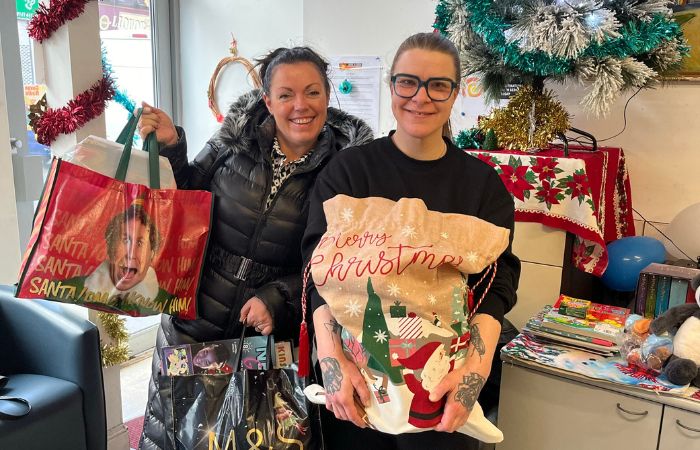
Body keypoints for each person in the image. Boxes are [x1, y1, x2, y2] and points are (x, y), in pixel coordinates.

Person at [136, 46, 374, 449]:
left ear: (328, 94)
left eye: (312, 92)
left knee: (260, 437)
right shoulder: (234, 140)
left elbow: (340, 263)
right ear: (267, 100)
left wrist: (280, 297)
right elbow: (188, 200)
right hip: (192, 323)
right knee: (177, 433)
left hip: (268, 342)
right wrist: (173, 146)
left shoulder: (346, 169)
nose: (301, 106)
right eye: (285, 94)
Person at [301, 33, 521, 450]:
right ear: (392, 86)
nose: (421, 97)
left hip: (442, 391)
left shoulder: (481, 187)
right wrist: (332, 362)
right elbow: (317, 270)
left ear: (455, 93)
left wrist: (475, 369)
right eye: (408, 82)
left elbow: (498, 283)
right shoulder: (348, 173)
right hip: (357, 389)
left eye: (438, 85)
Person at [60, 200, 174, 315]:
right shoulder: (67, 288)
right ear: (110, 248)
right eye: (125, 240)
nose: (131, 254)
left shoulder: (169, 301)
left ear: (152, 254)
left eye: (139, 243)